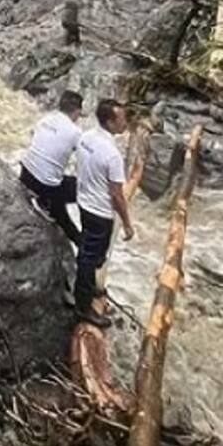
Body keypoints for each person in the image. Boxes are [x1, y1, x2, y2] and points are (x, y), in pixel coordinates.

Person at [74, 99, 136, 326]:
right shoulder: (112, 154)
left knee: (90, 254)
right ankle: (83, 307)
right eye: (121, 119)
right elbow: (117, 195)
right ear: (109, 122)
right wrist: (128, 224)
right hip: (100, 213)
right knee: (90, 259)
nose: (125, 122)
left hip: (84, 203)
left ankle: (91, 290)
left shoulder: (86, 138)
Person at [20, 90, 85, 245]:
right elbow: (87, 157)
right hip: (46, 186)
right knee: (82, 192)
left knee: (65, 183)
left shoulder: (46, 119)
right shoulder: (76, 132)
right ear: (77, 111)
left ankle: (42, 201)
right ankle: (84, 246)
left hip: (26, 174)